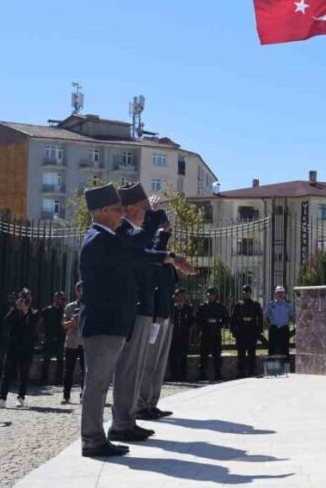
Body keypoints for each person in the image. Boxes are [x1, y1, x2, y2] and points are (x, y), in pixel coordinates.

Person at [77, 184, 175, 457]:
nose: (121, 214)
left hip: (112, 323)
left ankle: (100, 436)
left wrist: (166, 256)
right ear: (102, 211)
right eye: (117, 209)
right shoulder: (99, 239)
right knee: (97, 384)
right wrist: (153, 215)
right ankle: (92, 440)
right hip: (103, 323)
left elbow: (137, 254)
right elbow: (137, 246)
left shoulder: (107, 238)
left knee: (99, 383)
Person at [136, 206, 197, 420]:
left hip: (165, 314)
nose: (168, 227)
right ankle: (140, 405)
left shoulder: (165, 256)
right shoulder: (149, 251)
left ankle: (151, 403)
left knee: (159, 364)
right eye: (164, 224)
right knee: (148, 362)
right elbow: (154, 257)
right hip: (153, 316)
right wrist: (162, 235)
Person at [0, 294, 39, 408]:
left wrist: (25, 311)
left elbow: (32, 326)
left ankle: (21, 397)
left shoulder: (34, 313)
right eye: (23, 300)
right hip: (13, 347)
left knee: (24, 374)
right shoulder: (13, 311)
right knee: (6, 373)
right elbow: (6, 321)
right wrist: (16, 309)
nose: (25, 302)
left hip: (26, 348)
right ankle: (2, 398)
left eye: (27, 300)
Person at [230, 285, 265, 378]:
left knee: (251, 352)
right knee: (241, 353)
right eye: (244, 293)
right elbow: (234, 318)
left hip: (251, 330)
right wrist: (233, 330)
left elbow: (260, 318)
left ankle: (251, 371)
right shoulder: (238, 305)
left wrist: (259, 330)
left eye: (248, 292)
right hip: (241, 330)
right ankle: (241, 372)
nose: (246, 294)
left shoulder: (256, 304)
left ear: (250, 293)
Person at [195, 287, 227, 382]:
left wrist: (220, 324)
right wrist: (203, 325)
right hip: (206, 333)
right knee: (203, 354)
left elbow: (226, 318)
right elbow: (198, 319)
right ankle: (202, 374)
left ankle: (218, 374)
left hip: (216, 333)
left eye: (212, 295)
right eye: (209, 294)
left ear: (215, 296)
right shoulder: (203, 306)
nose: (210, 296)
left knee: (217, 354)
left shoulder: (220, 307)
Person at [61, 281, 85, 405]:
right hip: (71, 342)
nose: (81, 292)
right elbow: (64, 325)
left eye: (83, 289)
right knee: (68, 370)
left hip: (85, 343)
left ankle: (84, 395)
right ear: (76, 291)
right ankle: (66, 396)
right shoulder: (70, 306)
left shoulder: (89, 306)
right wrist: (72, 322)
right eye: (79, 289)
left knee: (85, 371)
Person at [39, 291, 67, 385]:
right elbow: (40, 323)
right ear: (56, 299)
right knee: (46, 358)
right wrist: (41, 335)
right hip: (49, 337)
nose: (63, 301)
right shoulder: (47, 310)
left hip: (60, 337)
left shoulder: (64, 311)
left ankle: (59, 380)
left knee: (60, 359)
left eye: (64, 299)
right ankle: (43, 379)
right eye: (62, 299)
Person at [168, 289, 193, 382]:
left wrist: (186, 329)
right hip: (173, 335)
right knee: (173, 356)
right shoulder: (172, 308)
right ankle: (174, 375)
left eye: (182, 296)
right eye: (179, 296)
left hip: (184, 335)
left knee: (183, 356)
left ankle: (183, 375)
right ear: (175, 297)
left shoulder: (188, 308)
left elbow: (191, 321)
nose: (181, 298)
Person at [266, 286, 295, 358]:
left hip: (284, 329)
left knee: (285, 349)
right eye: (278, 293)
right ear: (275, 294)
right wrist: (269, 325)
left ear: (284, 294)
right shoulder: (270, 304)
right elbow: (266, 316)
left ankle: (285, 364)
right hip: (274, 329)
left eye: (281, 293)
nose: (280, 295)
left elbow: (292, 317)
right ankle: (272, 364)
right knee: (272, 350)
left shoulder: (288, 305)